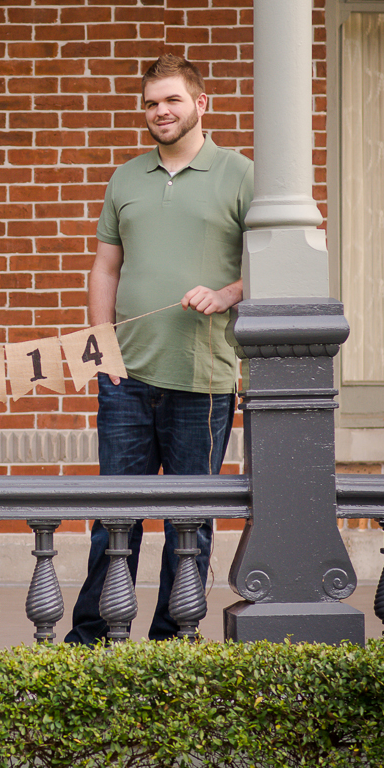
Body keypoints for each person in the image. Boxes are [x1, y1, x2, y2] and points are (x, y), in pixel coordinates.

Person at [66, 54, 254, 643]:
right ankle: (94, 638)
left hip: (202, 381)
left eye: (172, 99)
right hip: (125, 380)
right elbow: (105, 267)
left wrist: (226, 294)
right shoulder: (125, 178)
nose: (160, 111)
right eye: (151, 103)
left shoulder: (241, 174)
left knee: (188, 525)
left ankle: (174, 641)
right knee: (114, 519)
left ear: (202, 103)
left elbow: (276, 263)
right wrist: (103, 346)